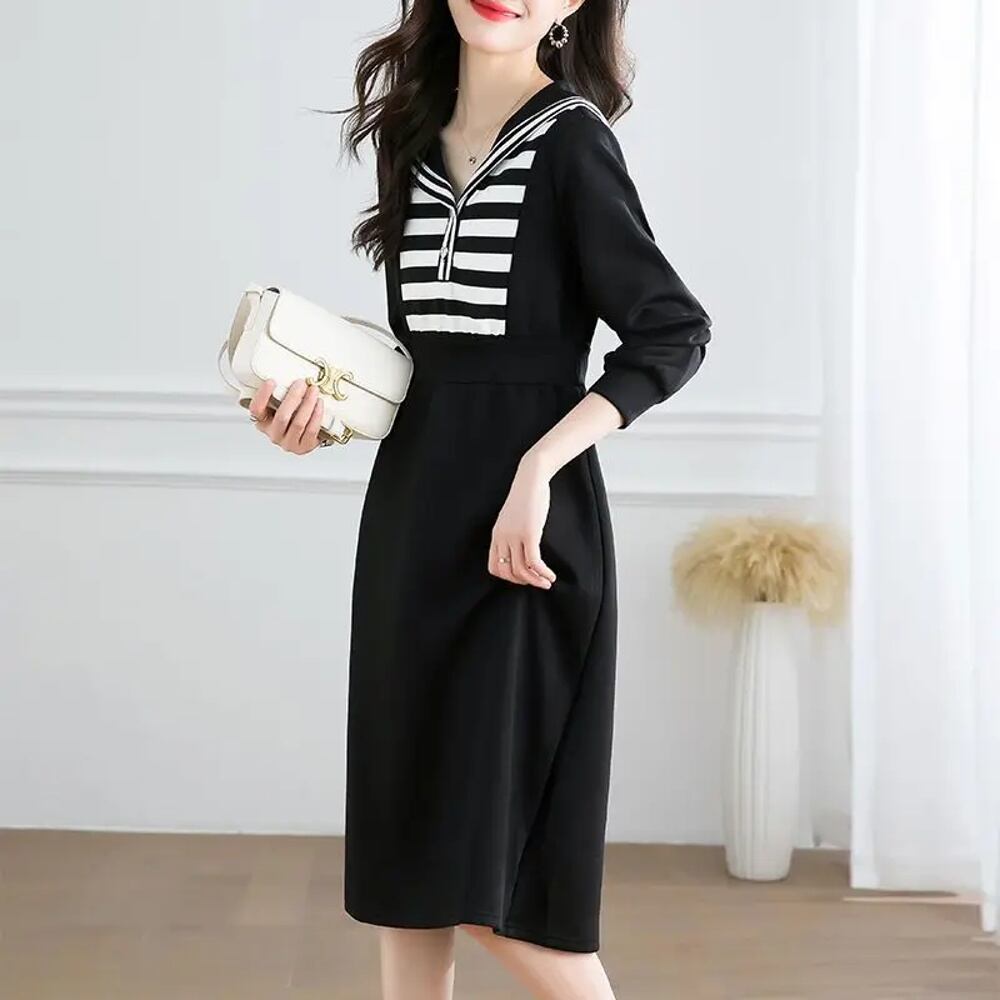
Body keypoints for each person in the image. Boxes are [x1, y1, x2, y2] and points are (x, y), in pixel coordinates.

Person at [247, 1, 711, 997]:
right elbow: (428, 360)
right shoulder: (407, 137)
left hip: (524, 539)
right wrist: (320, 413)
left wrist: (539, 467)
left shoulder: (572, 143)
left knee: (490, 882)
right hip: (411, 522)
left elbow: (671, 332)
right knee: (406, 866)